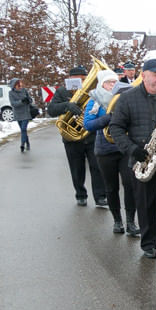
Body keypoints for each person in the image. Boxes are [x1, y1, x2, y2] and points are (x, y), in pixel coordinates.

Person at [109, 58, 156, 260]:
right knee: (146, 205)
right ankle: (149, 244)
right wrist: (132, 149)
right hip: (141, 162)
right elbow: (115, 128)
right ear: (144, 75)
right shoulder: (127, 98)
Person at [83, 70, 140, 236]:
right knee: (111, 187)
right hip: (105, 149)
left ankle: (130, 221)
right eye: (109, 82)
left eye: (115, 82)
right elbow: (89, 125)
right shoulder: (95, 100)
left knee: (130, 184)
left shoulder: (125, 98)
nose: (112, 85)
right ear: (101, 84)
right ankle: (117, 221)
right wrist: (109, 117)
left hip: (124, 148)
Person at [47, 66, 107, 208]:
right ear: (70, 79)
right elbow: (51, 110)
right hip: (72, 138)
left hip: (90, 135)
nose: (82, 81)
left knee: (97, 167)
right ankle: (80, 195)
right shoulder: (62, 91)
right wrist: (67, 105)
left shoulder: (92, 92)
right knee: (76, 168)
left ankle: (100, 197)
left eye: (84, 78)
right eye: (78, 79)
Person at [8, 78, 32, 153]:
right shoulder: (11, 93)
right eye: (19, 83)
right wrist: (21, 101)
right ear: (15, 85)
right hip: (18, 114)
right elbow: (13, 104)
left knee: (24, 129)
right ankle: (27, 143)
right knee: (23, 130)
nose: (20, 84)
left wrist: (28, 100)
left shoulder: (24, 90)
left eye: (21, 83)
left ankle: (22, 144)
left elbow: (30, 100)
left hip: (26, 113)